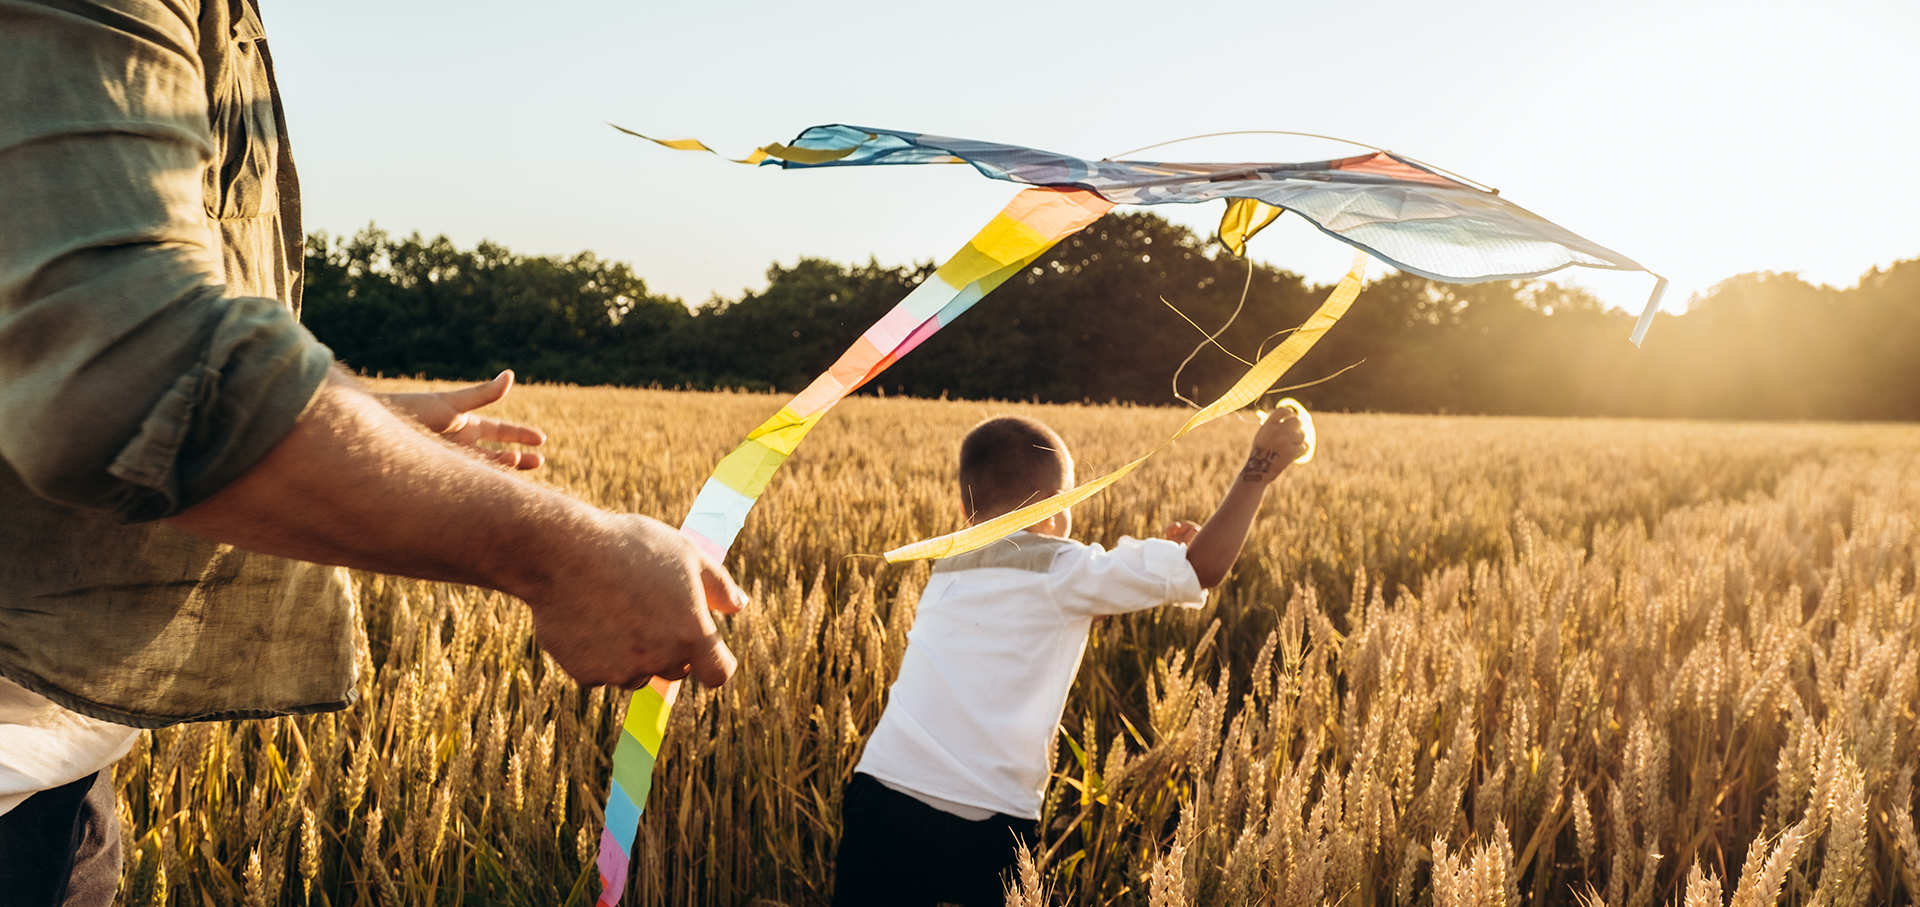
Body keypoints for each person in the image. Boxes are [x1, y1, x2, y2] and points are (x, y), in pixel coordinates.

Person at [0, 2, 744, 904]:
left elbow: (75, 328)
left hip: (58, 762)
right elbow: (124, 364)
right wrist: (563, 554)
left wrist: (362, 425)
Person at [833, 410, 1310, 905]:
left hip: (880, 795)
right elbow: (1205, 568)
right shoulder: (1064, 567)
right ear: (1055, 511)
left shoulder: (947, 569)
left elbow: (1035, 619)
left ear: (963, 511)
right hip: (984, 821)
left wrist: (1145, 579)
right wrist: (1261, 465)